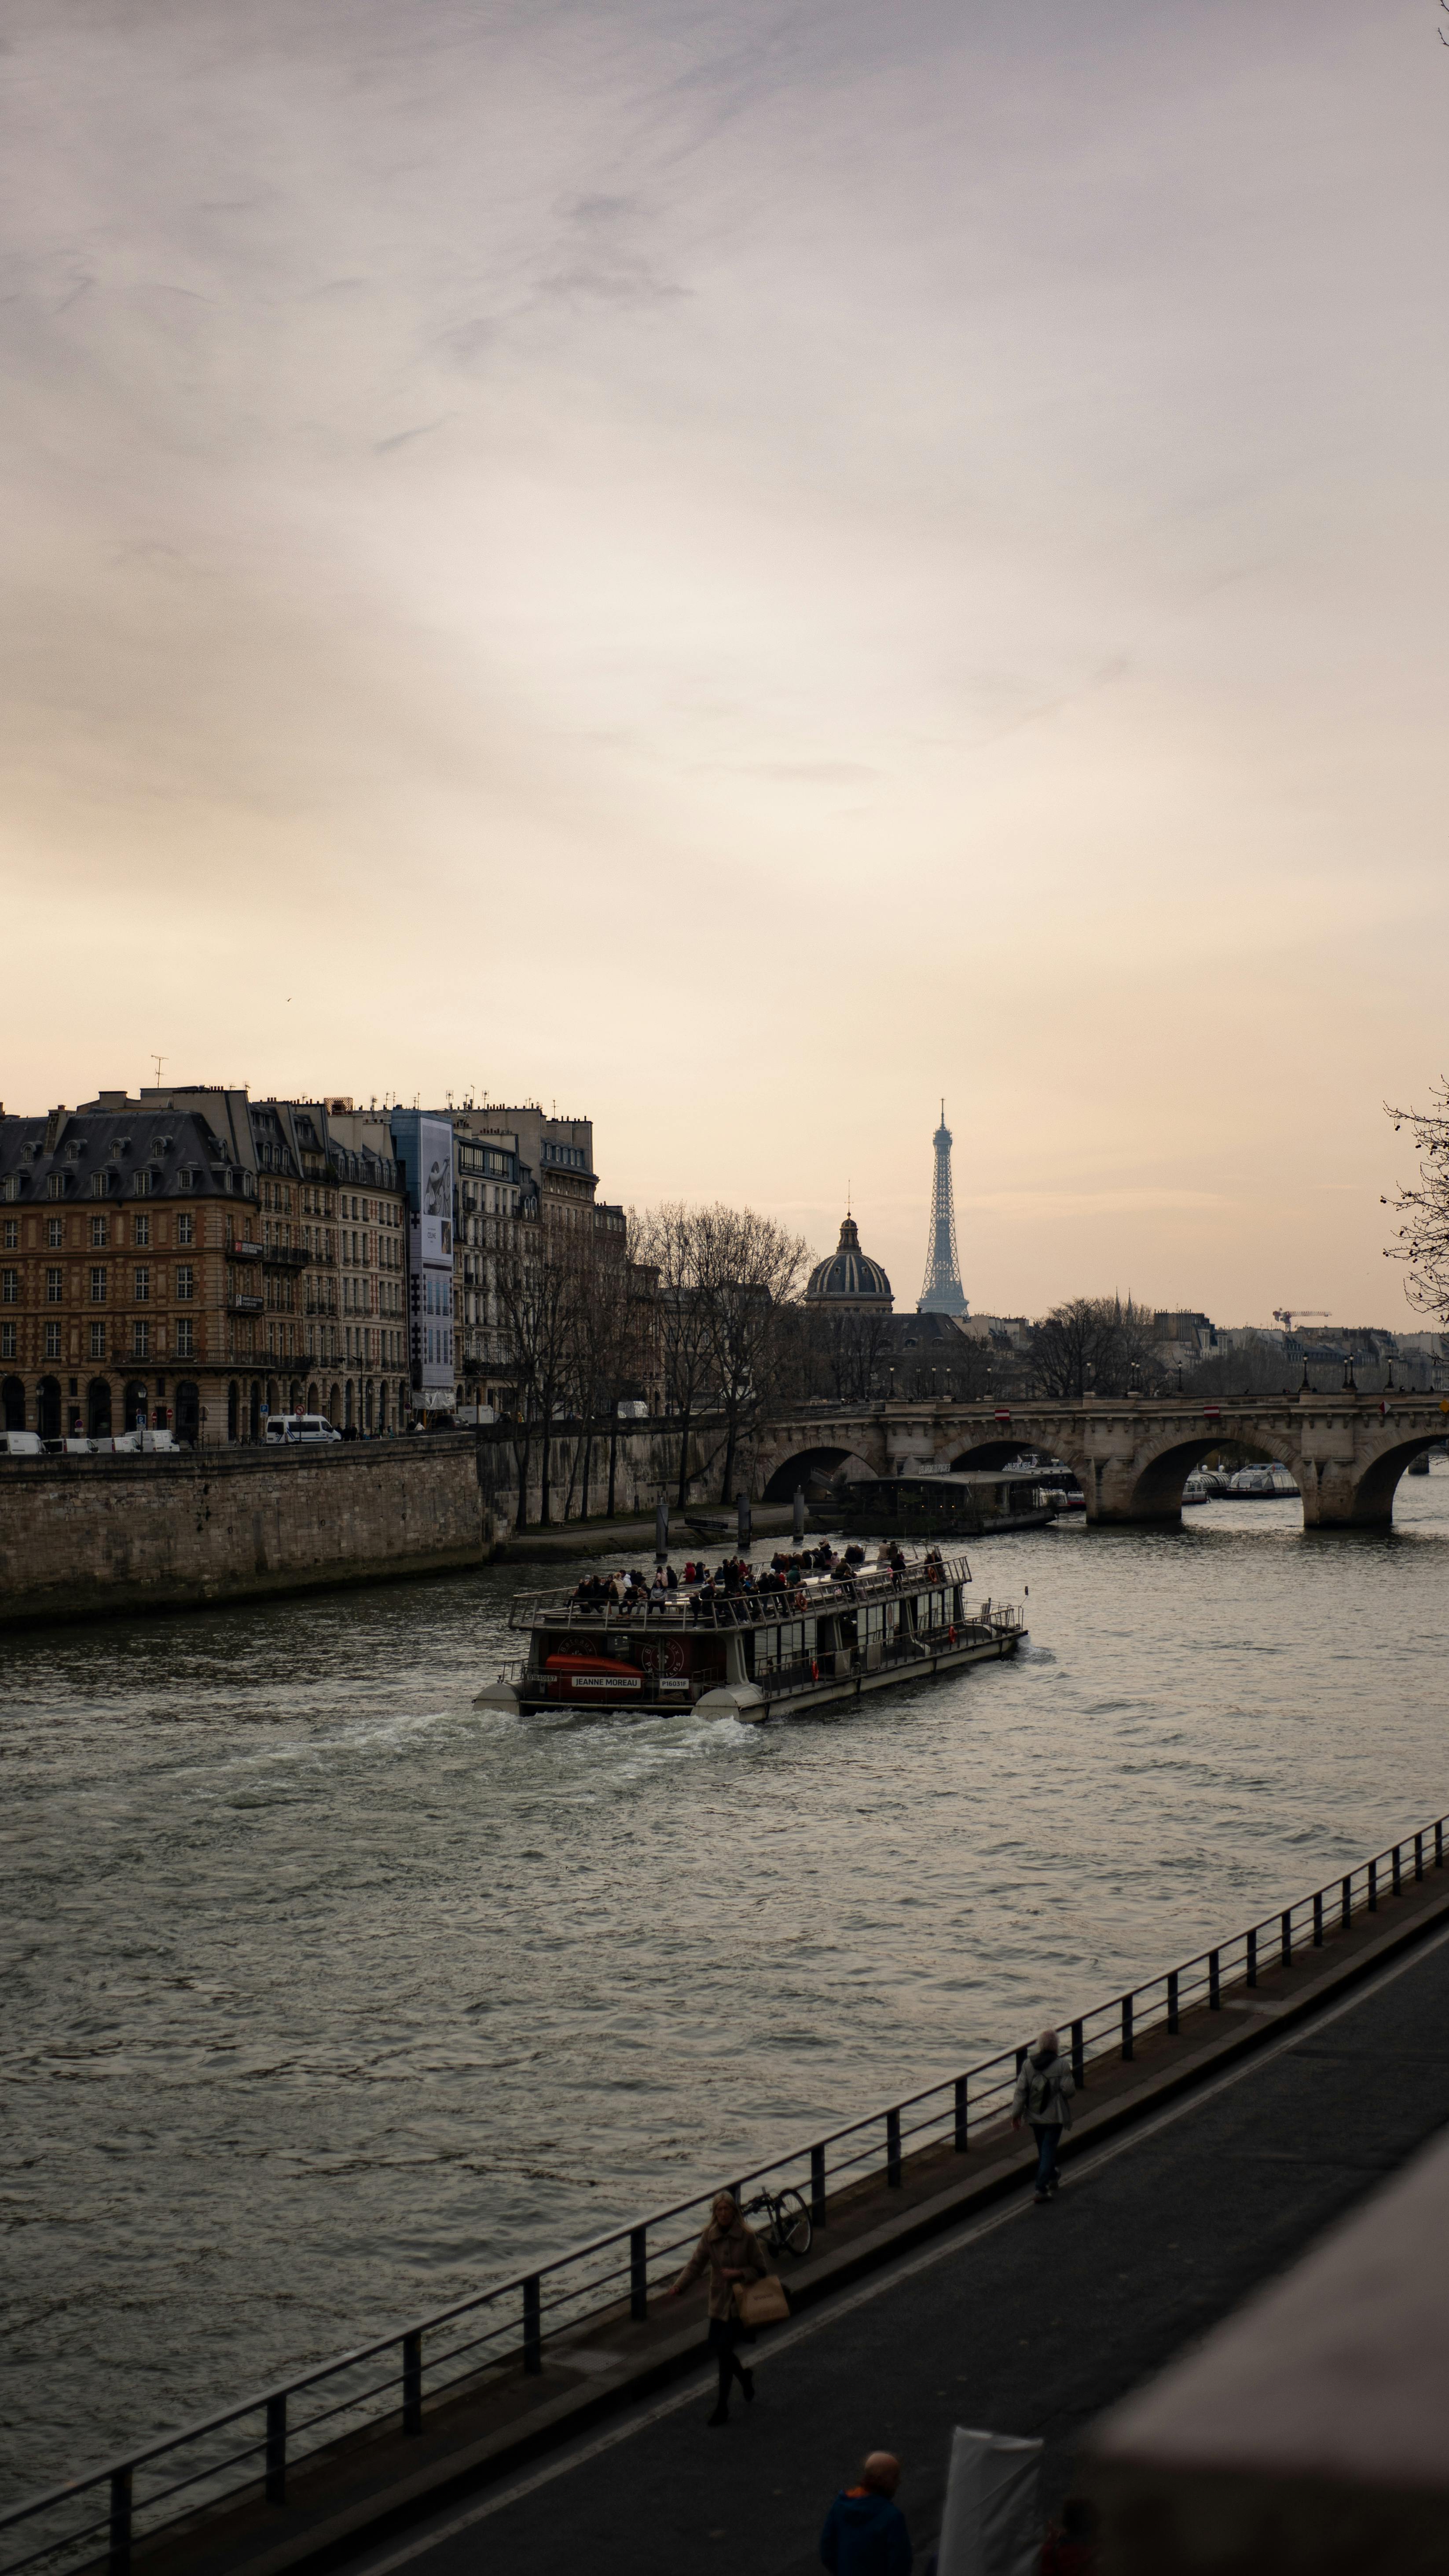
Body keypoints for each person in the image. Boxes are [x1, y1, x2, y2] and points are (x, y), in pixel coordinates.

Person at [659, 2190, 768, 2425]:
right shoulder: (710, 2237)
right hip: (720, 2304)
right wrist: (679, 2286)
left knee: (723, 2353)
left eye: (727, 2209)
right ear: (715, 2213)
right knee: (722, 2352)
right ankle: (744, 2377)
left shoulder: (747, 2236)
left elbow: (761, 2270)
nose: (723, 2213)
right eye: (719, 2210)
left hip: (739, 2305)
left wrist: (739, 2273)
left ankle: (722, 2408)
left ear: (734, 2211)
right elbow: (696, 2264)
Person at [819, 2453, 912, 2574]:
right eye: (895, 2477)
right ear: (881, 2480)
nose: (899, 2482)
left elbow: (827, 2551)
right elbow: (900, 2564)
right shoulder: (892, 2517)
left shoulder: (840, 2506)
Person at [1012, 2026, 1075, 2202]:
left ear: (1040, 2045)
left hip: (1034, 2116)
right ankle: (1041, 2188)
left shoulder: (1028, 2065)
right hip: (1055, 2117)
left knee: (1044, 2151)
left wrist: (1016, 2115)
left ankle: (1053, 2175)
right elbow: (1070, 2091)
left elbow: (1020, 2091)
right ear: (1056, 2046)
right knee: (1048, 2151)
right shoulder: (1062, 2065)